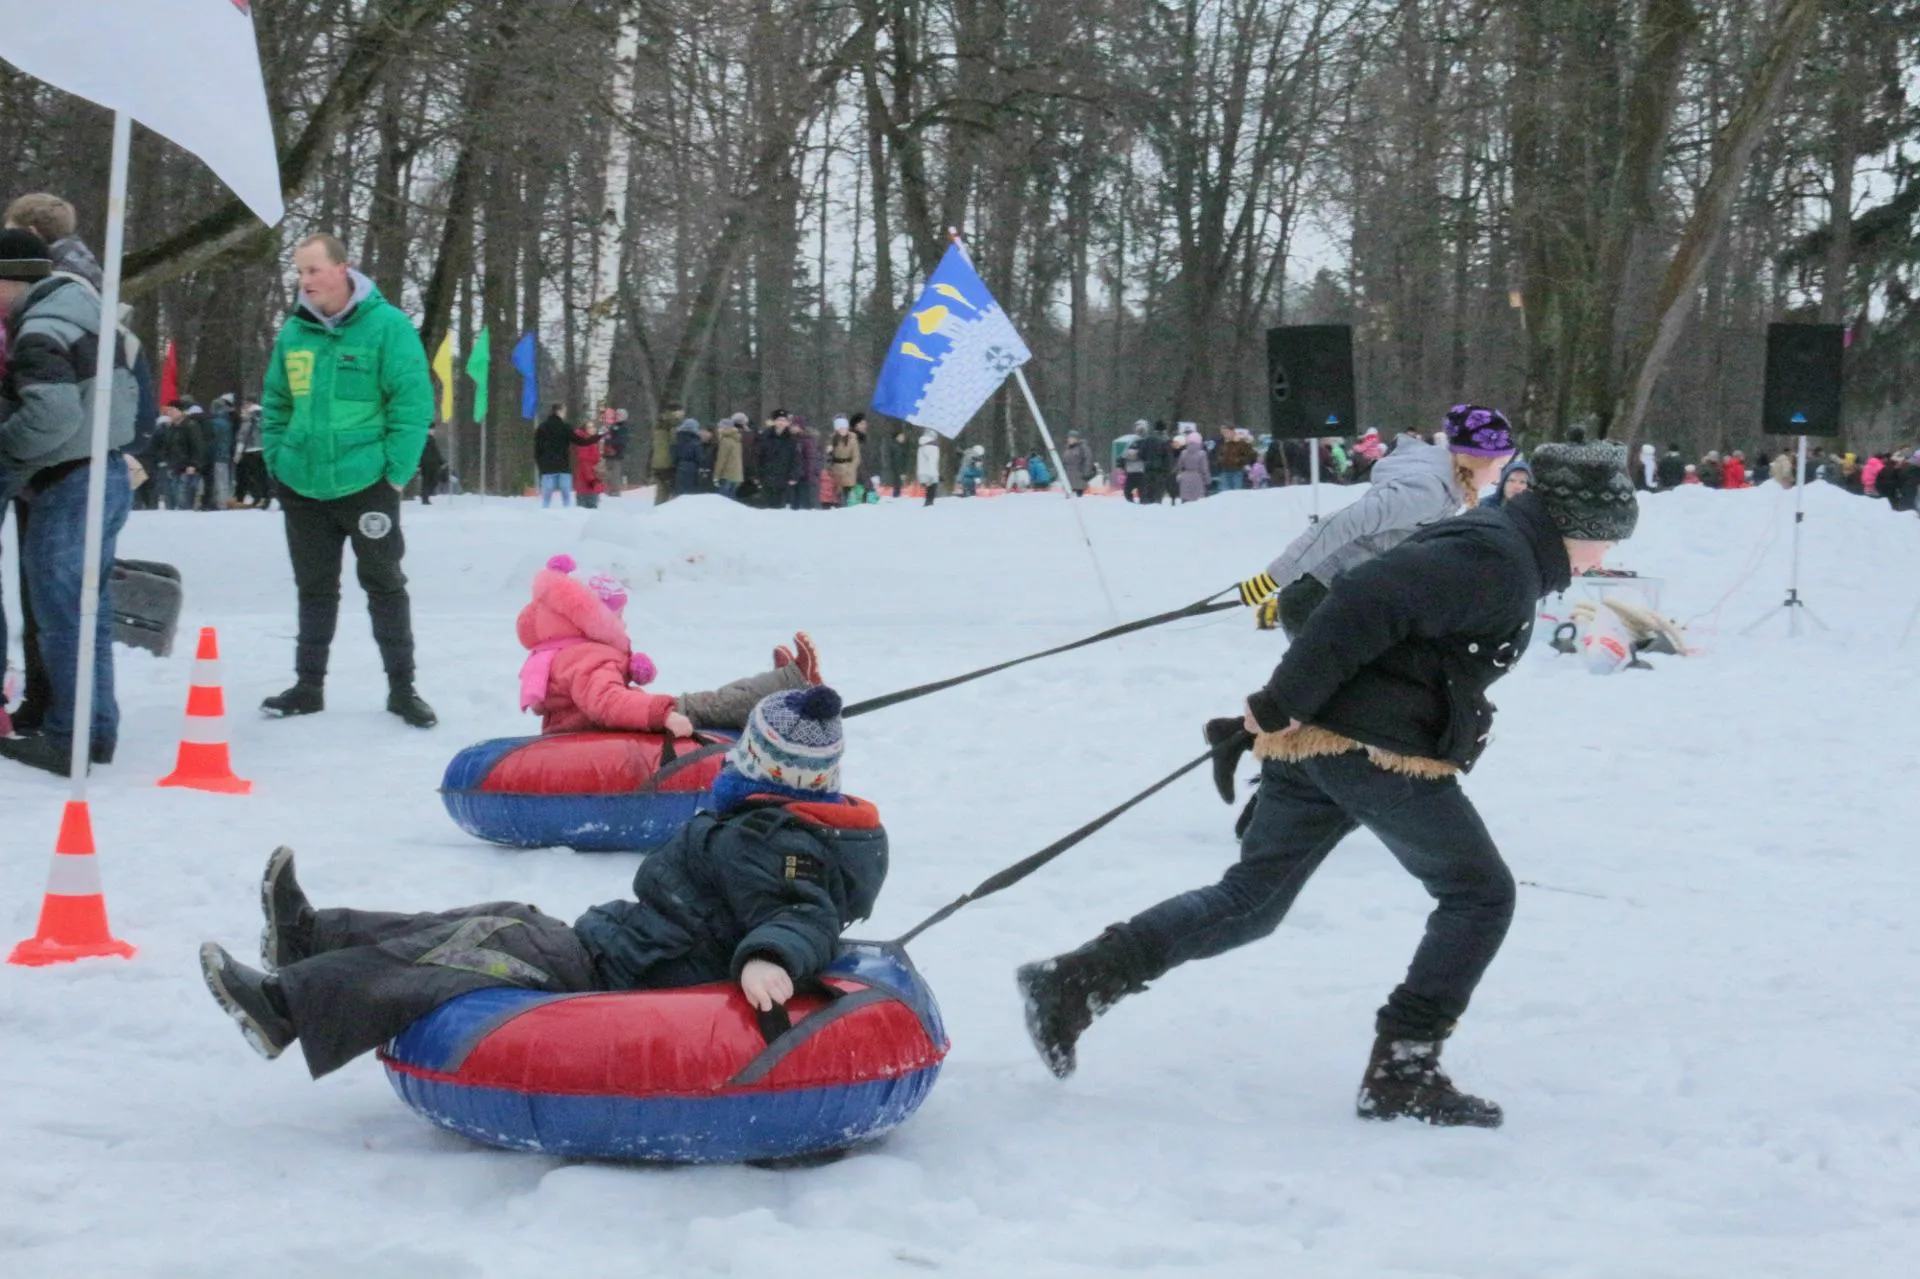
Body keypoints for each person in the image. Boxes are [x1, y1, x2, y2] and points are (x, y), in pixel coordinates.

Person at [1016, 441, 1641, 1128]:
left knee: (1252, 900)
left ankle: (1074, 981)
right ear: (1574, 525)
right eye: (1606, 541)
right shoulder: (1494, 555)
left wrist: (1291, 709)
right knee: (1479, 895)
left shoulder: (1506, 548)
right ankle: (1405, 1068)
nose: (1603, 558)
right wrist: (1283, 698)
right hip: (1370, 747)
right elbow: (1367, 595)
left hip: (1331, 736)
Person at [198, 685, 886, 1079]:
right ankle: (310, 937)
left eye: (744, 752)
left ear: (763, 766)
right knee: (493, 915)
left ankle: (285, 1007)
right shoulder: (764, 823)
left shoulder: (780, 844)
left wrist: (771, 955)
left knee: (478, 952)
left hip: (627, 978)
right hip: (617, 946)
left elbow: (802, 911)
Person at [257, 234, 435, 729]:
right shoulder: (294, 332)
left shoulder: (388, 327)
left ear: (343, 270)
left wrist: (394, 474)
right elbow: (276, 403)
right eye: (300, 272)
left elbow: (412, 405)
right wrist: (278, 459)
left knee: (385, 584)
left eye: (313, 270)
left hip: (367, 485)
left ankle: (403, 690)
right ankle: (307, 687)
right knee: (314, 587)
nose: (305, 281)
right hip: (302, 485)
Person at [0, 228, 137, 776]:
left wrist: (7, 445)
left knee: (64, 619)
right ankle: (94, 731)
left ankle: (68, 740)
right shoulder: (85, 306)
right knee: (89, 615)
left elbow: (53, 415)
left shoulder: (39, 329)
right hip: (106, 471)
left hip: (69, 481)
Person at [1234, 404, 1515, 639]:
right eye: (1499, 467)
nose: (1498, 478)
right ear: (1476, 460)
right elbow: (1344, 523)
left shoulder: (1442, 484)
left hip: (1348, 596)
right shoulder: (1427, 491)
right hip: (1321, 600)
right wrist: (1273, 576)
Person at [518, 554, 821, 735]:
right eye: (618, 617)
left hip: (596, 728)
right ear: (592, 620)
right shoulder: (586, 657)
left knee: (701, 704)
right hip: (606, 731)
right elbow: (606, 703)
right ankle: (792, 681)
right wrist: (661, 715)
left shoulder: (562, 652)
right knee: (706, 705)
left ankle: (778, 689)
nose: (622, 624)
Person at [159, 399, 210, 510]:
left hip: (187, 468)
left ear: (181, 411)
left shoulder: (191, 426)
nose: (169, 413)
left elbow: (198, 447)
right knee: (171, 501)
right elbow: (167, 446)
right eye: (168, 410)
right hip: (173, 467)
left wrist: (193, 464)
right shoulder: (171, 427)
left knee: (183, 501)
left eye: (172, 410)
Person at [534, 404, 574, 508]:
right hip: (563, 464)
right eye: (564, 411)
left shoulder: (542, 427)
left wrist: (540, 463)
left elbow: (538, 448)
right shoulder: (566, 427)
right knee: (566, 494)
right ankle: (568, 512)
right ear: (559, 411)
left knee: (547, 495)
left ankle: (545, 512)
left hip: (547, 465)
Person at [234, 400, 272, 508]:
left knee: (253, 477)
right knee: (263, 475)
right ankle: (266, 498)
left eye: (243, 411)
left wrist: (238, 452)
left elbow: (243, 436)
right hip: (264, 449)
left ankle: (258, 497)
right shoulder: (264, 417)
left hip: (251, 450)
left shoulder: (249, 419)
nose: (242, 414)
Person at [651, 401, 683, 504]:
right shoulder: (673, 424)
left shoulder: (659, 423)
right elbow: (675, 442)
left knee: (661, 494)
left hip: (657, 462)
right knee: (673, 494)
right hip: (668, 462)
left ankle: (656, 514)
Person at [573, 418, 606, 509]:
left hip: (588, 482)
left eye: (593, 427)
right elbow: (584, 462)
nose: (592, 429)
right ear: (585, 429)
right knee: (588, 510)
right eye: (589, 427)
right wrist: (593, 480)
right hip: (587, 483)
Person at [828, 416, 861, 506]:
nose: (843, 430)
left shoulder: (852, 439)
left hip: (848, 469)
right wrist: (828, 451)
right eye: (841, 428)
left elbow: (856, 456)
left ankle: (846, 505)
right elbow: (827, 456)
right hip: (836, 468)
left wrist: (852, 467)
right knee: (836, 490)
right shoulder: (832, 439)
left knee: (847, 490)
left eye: (845, 428)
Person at [1139, 420, 1174, 504]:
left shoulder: (1148, 440)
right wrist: (1168, 471)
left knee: (1147, 494)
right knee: (1157, 496)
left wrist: (1147, 461)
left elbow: (1141, 454)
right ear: (1164, 430)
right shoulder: (1166, 441)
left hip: (1147, 470)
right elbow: (1168, 458)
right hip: (1160, 472)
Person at [713, 414, 744, 499]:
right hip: (737, 476)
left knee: (722, 502)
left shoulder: (725, 440)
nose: (718, 429)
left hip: (726, 475)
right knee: (732, 501)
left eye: (720, 427)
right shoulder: (737, 439)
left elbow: (721, 460)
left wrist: (716, 476)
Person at [1176, 431, 1211, 503]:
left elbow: (1179, 466)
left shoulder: (1183, 453)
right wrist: (1207, 481)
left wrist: (1180, 476)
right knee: (1197, 504)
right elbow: (1204, 469)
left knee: (1185, 503)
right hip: (1198, 478)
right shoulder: (1202, 454)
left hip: (1185, 478)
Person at [671, 416, 703, 497]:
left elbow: (673, 456)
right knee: (690, 493)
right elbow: (699, 457)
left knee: (680, 492)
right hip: (692, 468)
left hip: (679, 467)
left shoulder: (677, 439)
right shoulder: (696, 441)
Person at [917, 429, 941, 506]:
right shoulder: (933, 447)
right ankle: (929, 506)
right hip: (931, 473)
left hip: (922, 472)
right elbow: (932, 462)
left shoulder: (921, 446)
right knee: (931, 493)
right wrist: (932, 475)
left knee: (927, 492)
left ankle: (927, 505)